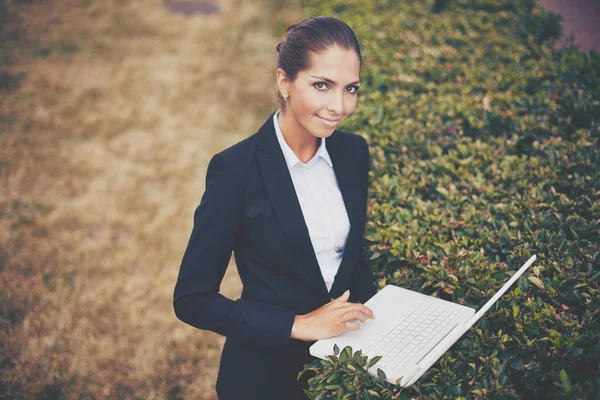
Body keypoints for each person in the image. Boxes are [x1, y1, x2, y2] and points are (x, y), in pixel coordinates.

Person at [173, 16, 378, 400]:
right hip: (268, 376)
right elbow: (192, 299)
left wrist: (388, 317)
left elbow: (345, 259)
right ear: (284, 82)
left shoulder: (353, 152)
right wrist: (297, 324)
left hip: (348, 367)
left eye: (351, 89)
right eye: (322, 85)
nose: (339, 106)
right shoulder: (235, 171)